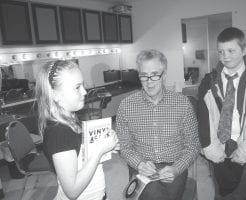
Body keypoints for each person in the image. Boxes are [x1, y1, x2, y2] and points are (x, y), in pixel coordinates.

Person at [198, 27, 246, 199]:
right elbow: (203, 118)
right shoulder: (209, 81)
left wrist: (244, 153)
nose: (226, 56)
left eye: (231, 50)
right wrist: (213, 151)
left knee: (240, 194)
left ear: (244, 50)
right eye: (221, 51)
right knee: (219, 193)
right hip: (217, 149)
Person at [116, 49, 200, 200]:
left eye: (154, 75)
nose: (149, 82)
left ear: (164, 75)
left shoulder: (182, 104)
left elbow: (193, 145)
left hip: (174, 167)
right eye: (144, 76)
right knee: (152, 195)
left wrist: (176, 168)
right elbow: (124, 146)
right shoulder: (126, 106)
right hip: (141, 168)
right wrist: (139, 164)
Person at [35, 60, 118, 200]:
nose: (84, 91)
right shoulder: (58, 132)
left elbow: (80, 158)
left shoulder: (71, 119)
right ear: (56, 95)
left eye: (83, 85)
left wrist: (105, 148)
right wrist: (99, 152)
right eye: (77, 87)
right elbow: (72, 191)